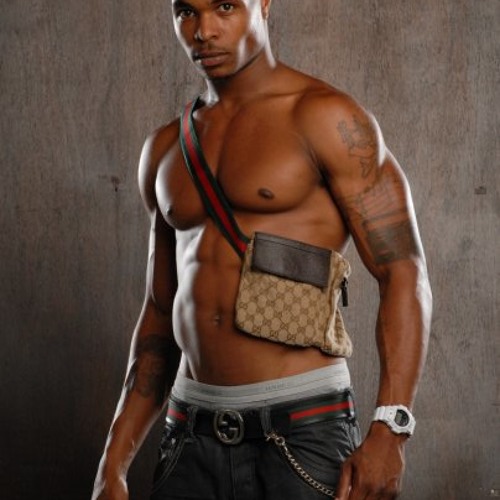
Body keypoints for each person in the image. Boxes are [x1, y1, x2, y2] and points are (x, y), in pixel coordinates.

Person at [92, 0, 432, 499]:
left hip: (301, 429)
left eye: (225, 6)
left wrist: (392, 427)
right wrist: (113, 464)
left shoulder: (327, 118)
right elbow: (160, 312)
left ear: (264, 4)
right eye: (186, 12)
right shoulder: (165, 148)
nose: (204, 31)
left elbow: (403, 271)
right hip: (189, 433)